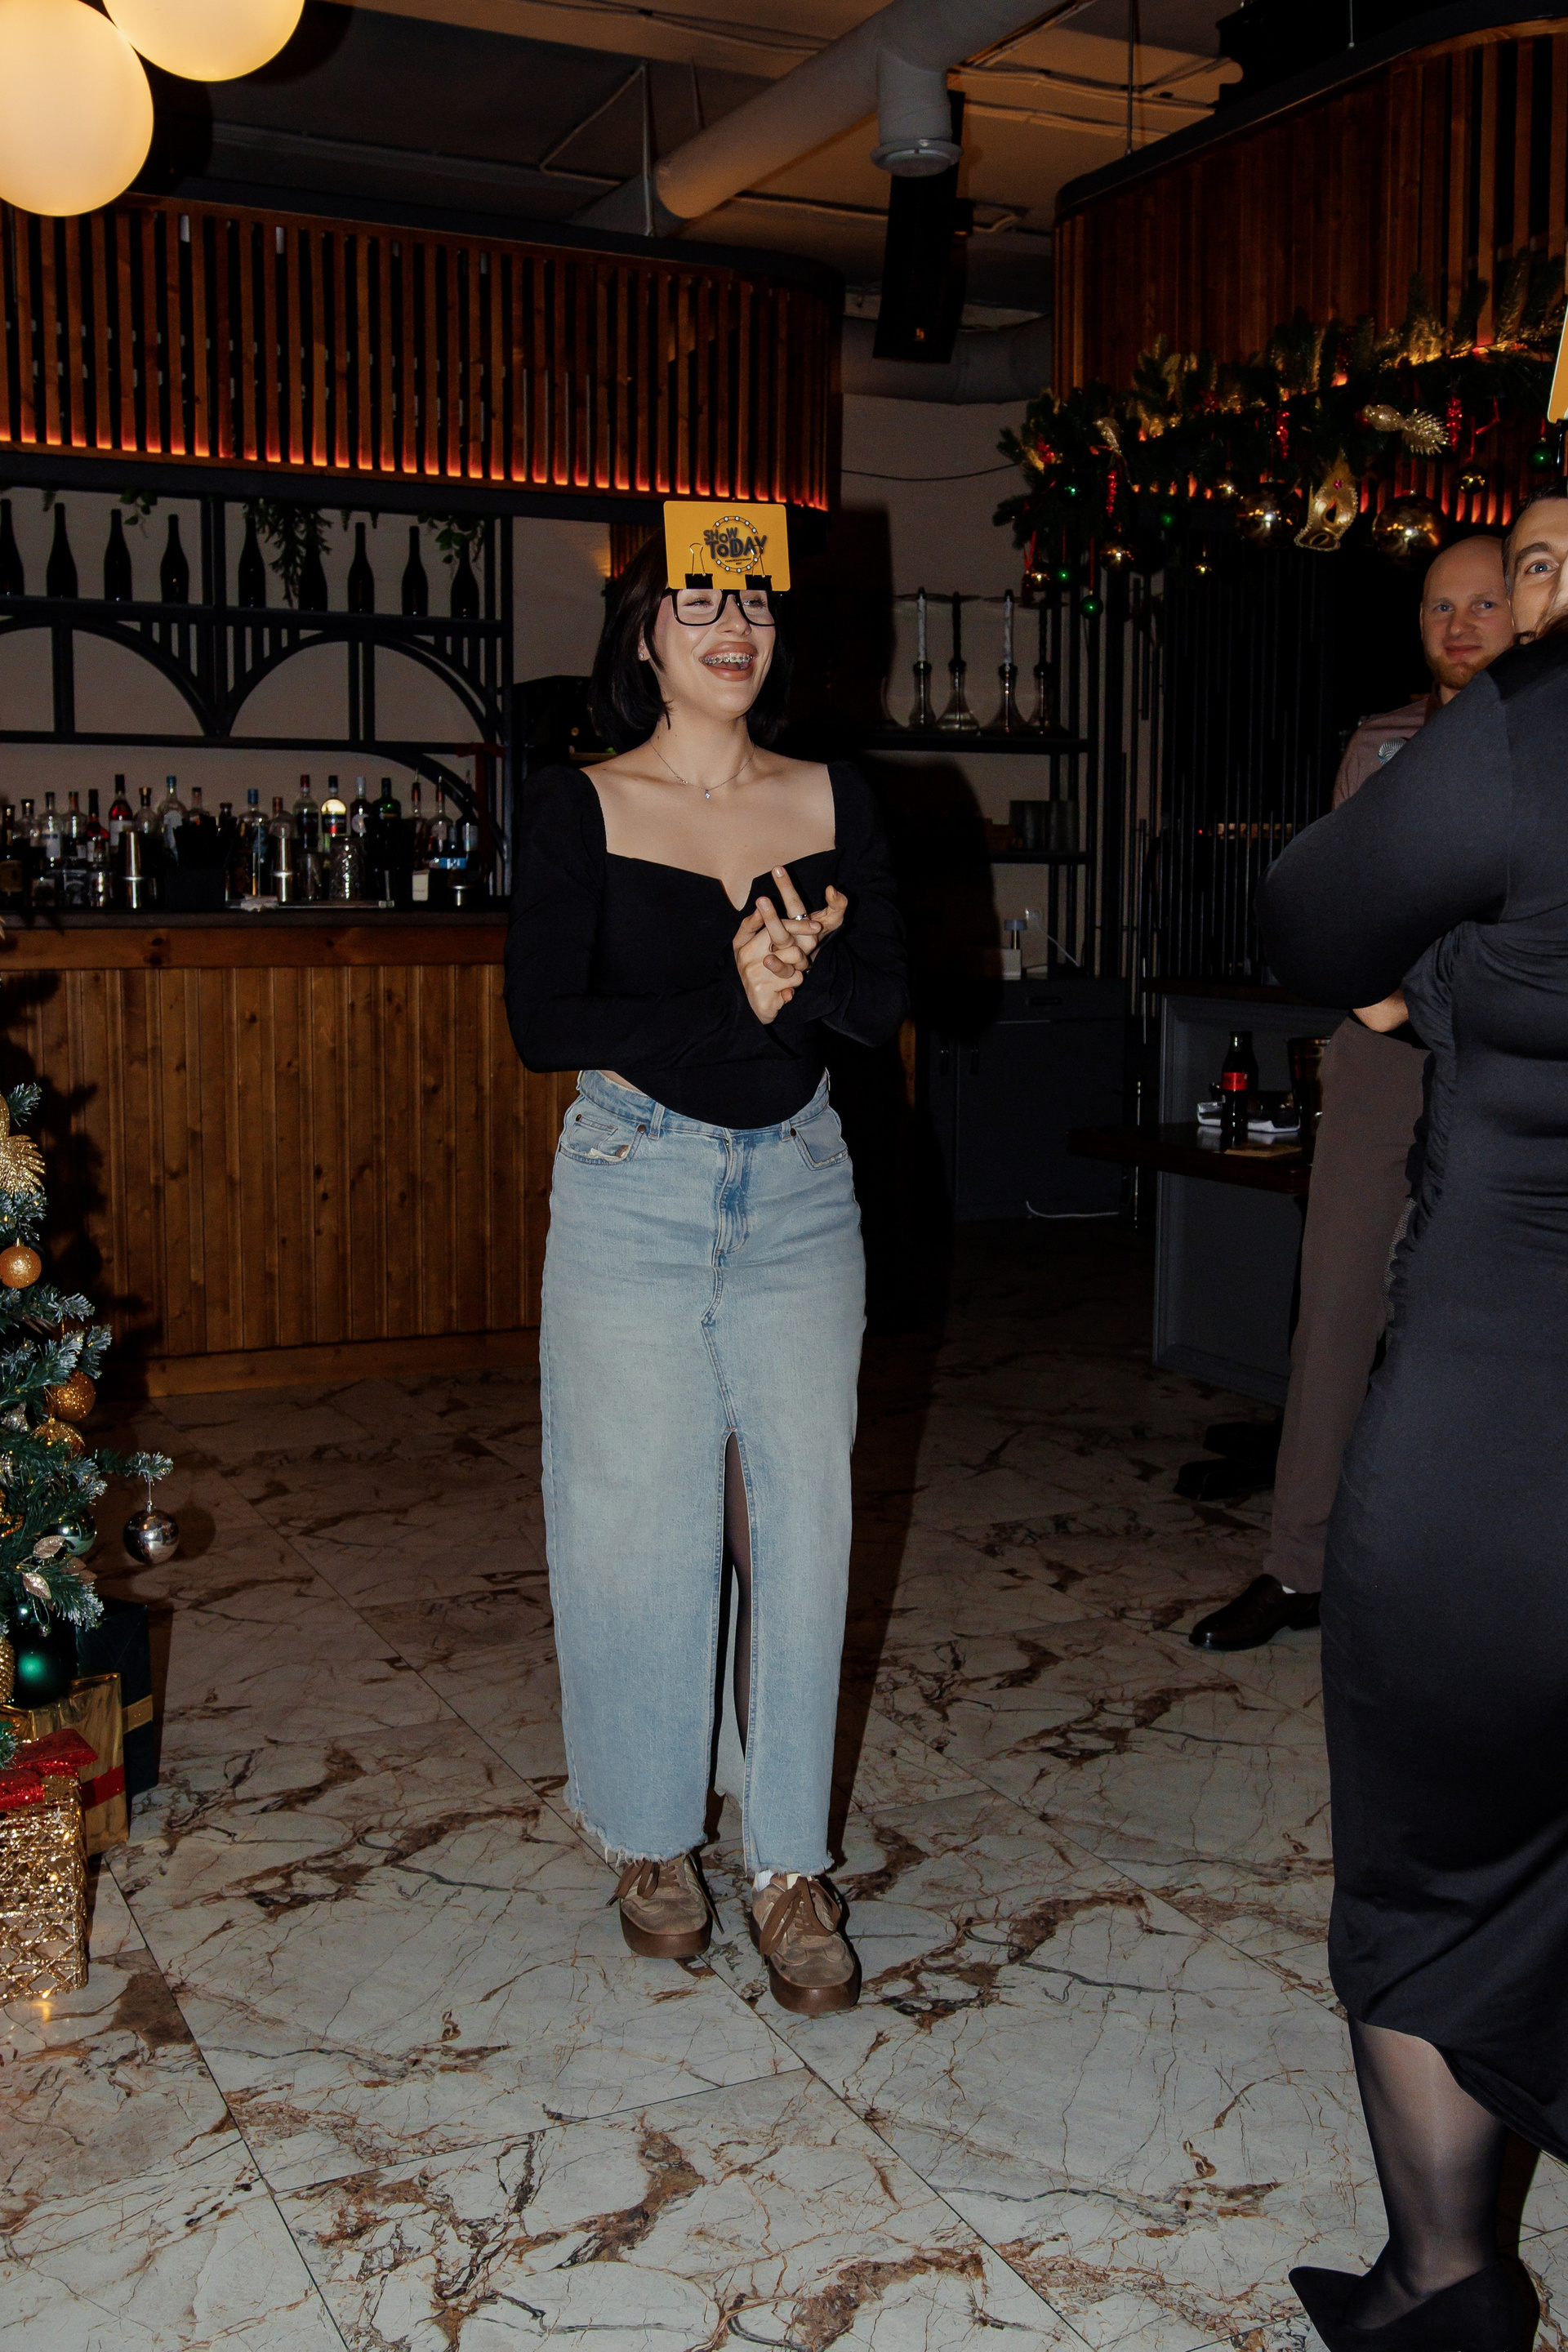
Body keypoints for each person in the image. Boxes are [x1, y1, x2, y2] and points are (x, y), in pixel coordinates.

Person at [505, 510, 907, 2018]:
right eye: (698, 601)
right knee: (634, 1516)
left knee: (801, 1520)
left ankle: (790, 1863)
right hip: (635, 1181)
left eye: (754, 604)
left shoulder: (832, 794)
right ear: (643, 633)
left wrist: (804, 980)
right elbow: (546, 1023)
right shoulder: (581, 803)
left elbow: (882, 1004)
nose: (733, 628)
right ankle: (651, 1837)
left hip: (800, 1184)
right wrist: (734, 995)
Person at [1260, 497, 1568, 2352]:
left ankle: (1450, 2281)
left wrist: (1429, 984)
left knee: (1437, 1849)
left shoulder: (1525, 727)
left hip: (1508, 1406)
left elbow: (1310, 913)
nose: (1539, 593)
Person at [1190, 533, 1512, 1651]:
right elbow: (1337, 901)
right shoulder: (1382, 745)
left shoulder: (1547, 744)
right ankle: (1297, 1568)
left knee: (1490, 1320)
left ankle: (1465, 1577)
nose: (1460, 625)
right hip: (1393, 1052)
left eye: (1484, 602)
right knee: (1334, 1308)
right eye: (1439, 606)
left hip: (1516, 1058)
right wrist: (1384, 1006)